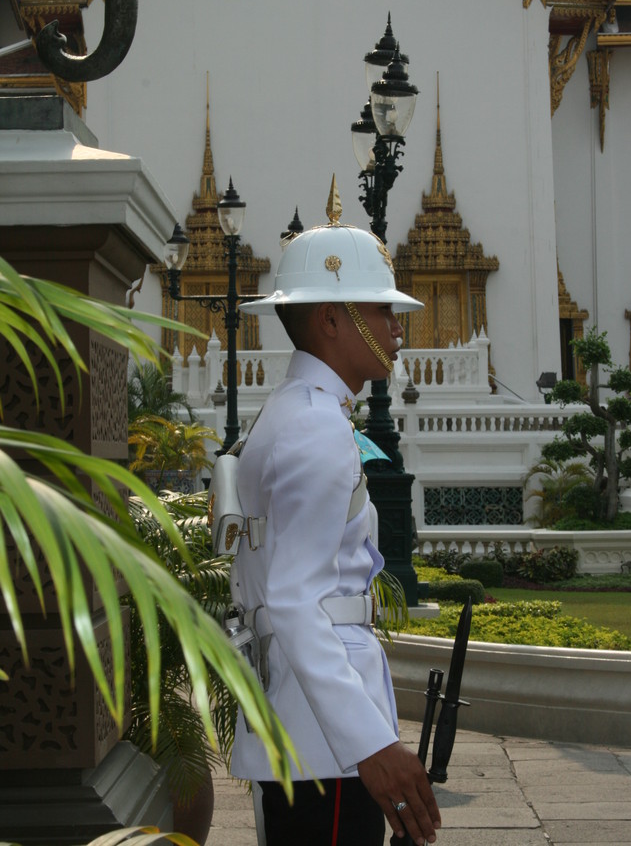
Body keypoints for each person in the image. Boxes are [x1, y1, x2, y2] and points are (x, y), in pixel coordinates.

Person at [227, 180, 441, 845]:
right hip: (327, 740)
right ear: (330, 319)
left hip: (305, 721)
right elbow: (296, 602)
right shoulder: (317, 428)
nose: (395, 330)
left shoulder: (292, 413)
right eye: (380, 312)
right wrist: (371, 744)